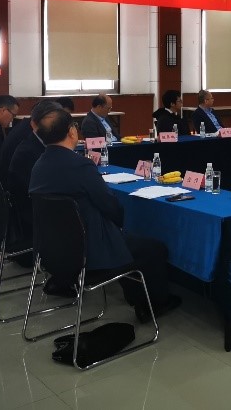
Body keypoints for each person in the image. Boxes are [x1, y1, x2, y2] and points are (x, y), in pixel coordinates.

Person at [29, 109, 181, 318]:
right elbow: (110, 206)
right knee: (153, 249)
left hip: (52, 252)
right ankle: (153, 305)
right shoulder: (80, 165)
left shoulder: (39, 165)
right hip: (88, 252)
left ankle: (136, 296)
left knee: (127, 242)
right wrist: (119, 225)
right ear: (72, 132)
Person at [6, 100, 62, 237]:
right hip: (31, 215)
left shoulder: (34, 142)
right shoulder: (31, 151)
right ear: (35, 124)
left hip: (26, 207)